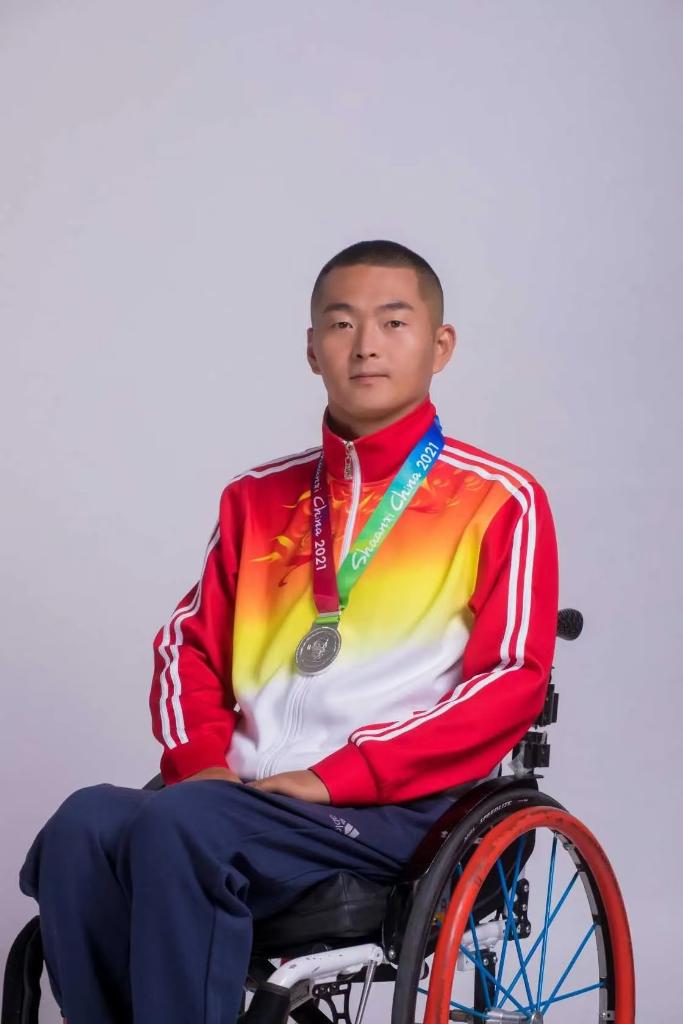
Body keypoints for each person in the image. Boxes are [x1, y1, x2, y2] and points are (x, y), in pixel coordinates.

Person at [18, 239, 559, 1023]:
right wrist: (202, 764)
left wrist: (340, 774)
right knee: (84, 824)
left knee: (181, 827)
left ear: (440, 345)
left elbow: (510, 681)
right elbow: (187, 646)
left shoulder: (498, 499)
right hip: (241, 798)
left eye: (393, 322)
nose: (365, 345)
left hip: (393, 809)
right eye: (341, 324)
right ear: (312, 349)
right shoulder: (256, 497)